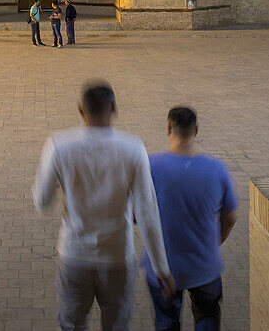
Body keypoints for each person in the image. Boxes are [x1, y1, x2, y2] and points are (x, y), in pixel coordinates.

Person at [33, 80, 173, 330]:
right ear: (114, 109)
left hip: (74, 254)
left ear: (80, 109)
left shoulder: (59, 144)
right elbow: (147, 212)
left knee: (72, 324)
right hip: (118, 255)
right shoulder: (133, 147)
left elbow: (42, 201)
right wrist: (161, 268)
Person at [143, 107, 237, 330]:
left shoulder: (150, 166)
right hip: (205, 266)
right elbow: (230, 217)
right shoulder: (217, 169)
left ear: (168, 128)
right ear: (196, 130)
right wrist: (213, 244)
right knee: (207, 319)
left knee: (166, 322)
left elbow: (137, 215)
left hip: (163, 268)